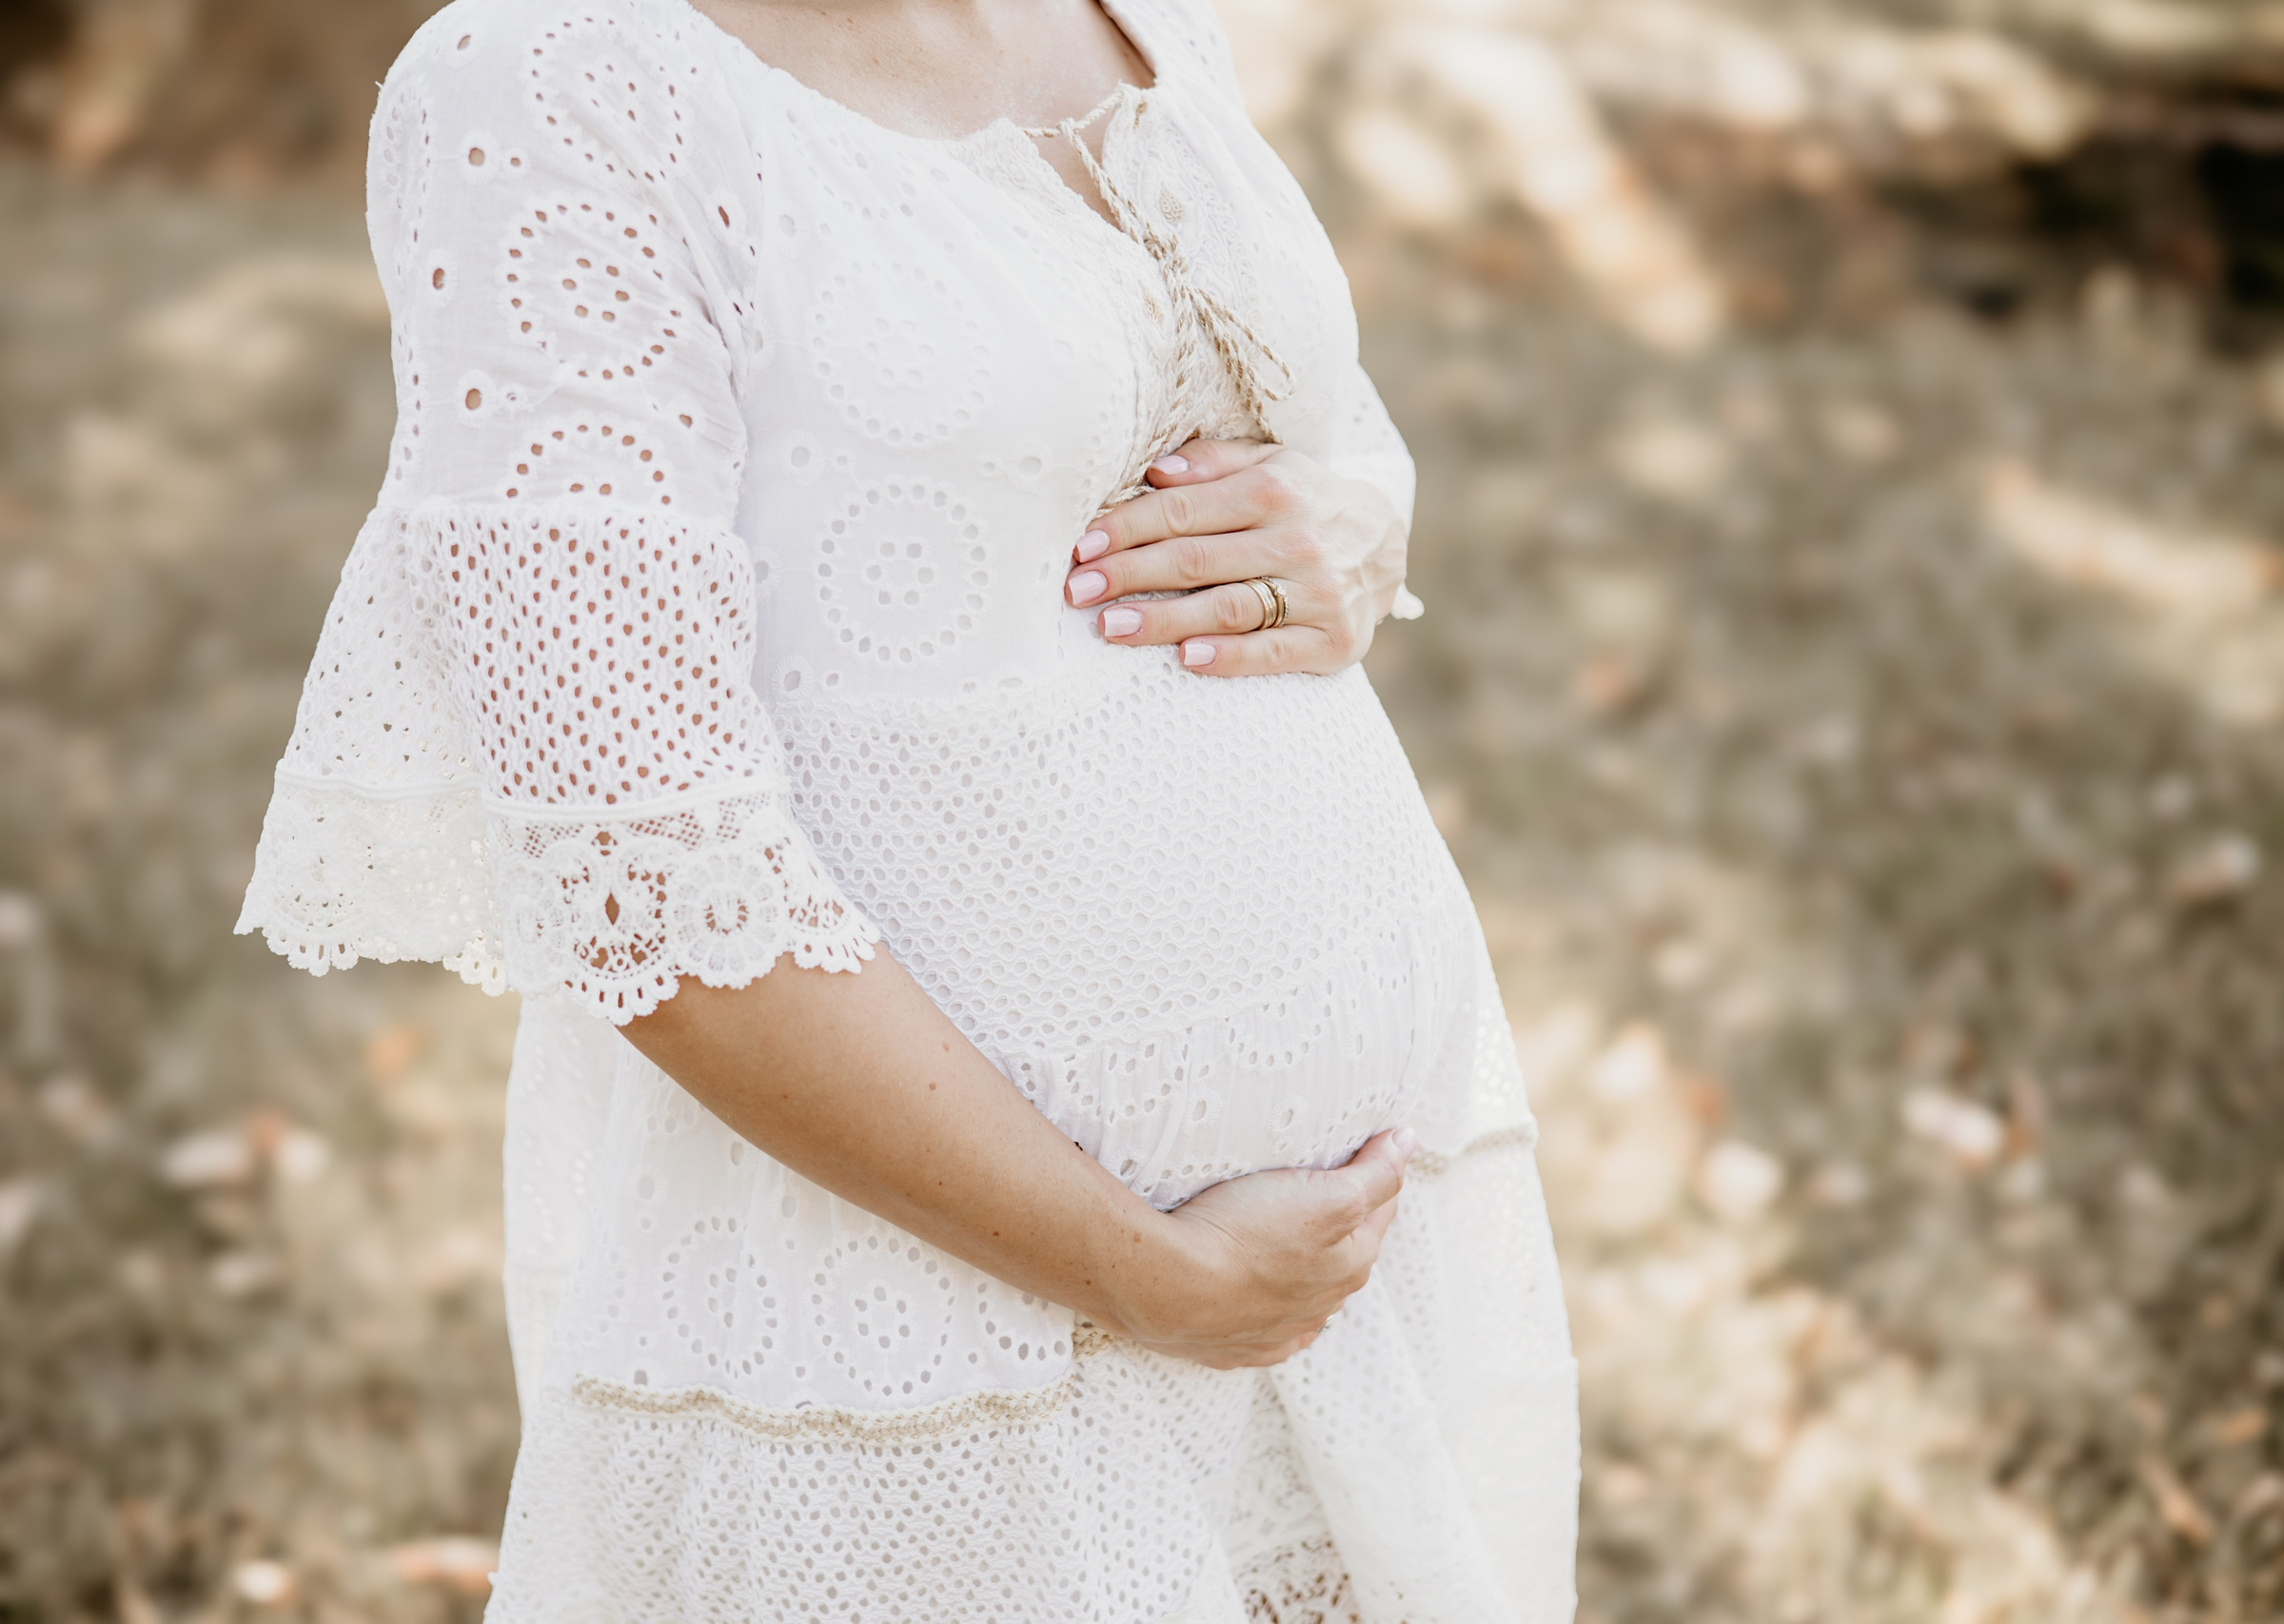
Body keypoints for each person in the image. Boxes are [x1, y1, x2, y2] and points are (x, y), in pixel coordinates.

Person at [236, 0, 1577, 1615]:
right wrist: (1143, 1274)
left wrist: (1350, 526)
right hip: (941, 1324)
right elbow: (641, 873)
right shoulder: (554, 84)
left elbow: (1292, 428)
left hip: (1365, 1248)